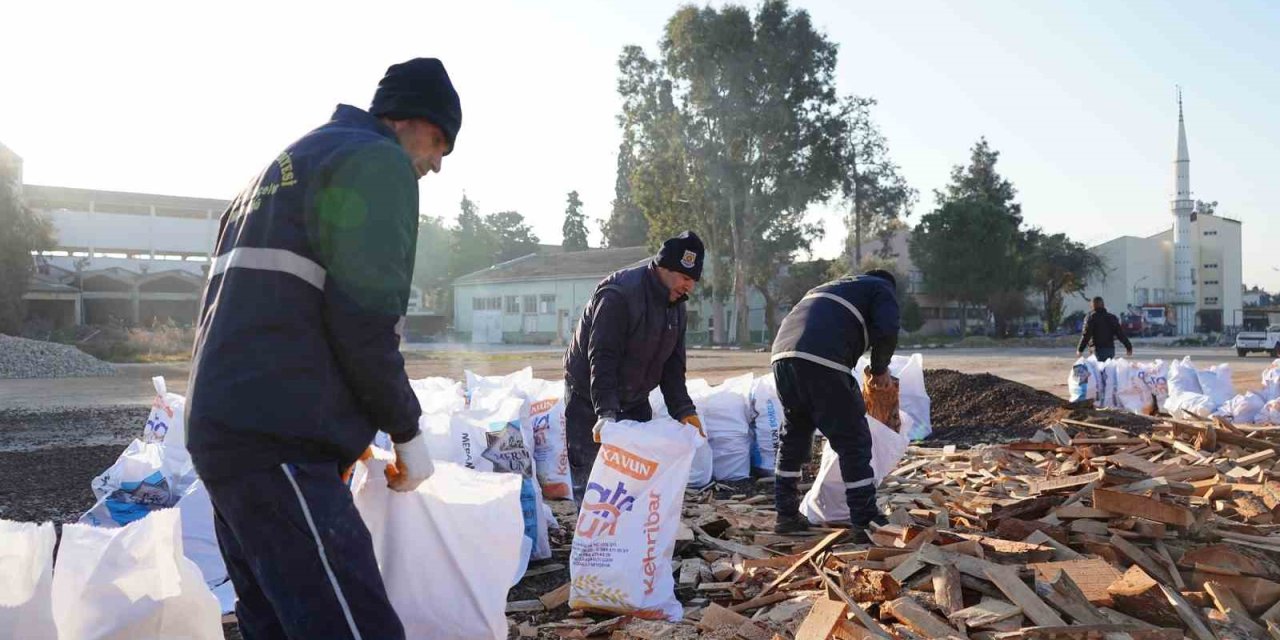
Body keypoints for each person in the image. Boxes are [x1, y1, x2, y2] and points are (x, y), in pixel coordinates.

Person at [185, 58, 461, 640]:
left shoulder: (281, 167)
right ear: (406, 119)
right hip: (278, 440)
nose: (436, 164)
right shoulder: (375, 162)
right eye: (439, 142)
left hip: (225, 431)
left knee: (278, 625)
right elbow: (365, 320)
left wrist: (347, 427)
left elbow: (277, 310)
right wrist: (405, 433)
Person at [563, 231, 707, 502]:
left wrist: (684, 410)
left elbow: (673, 367)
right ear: (665, 268)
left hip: (634, 398)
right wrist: (605, 412)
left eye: (694, 281)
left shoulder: (676, 306)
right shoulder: (619, 294)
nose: (690, 287)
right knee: (594, 479)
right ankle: (593, 541)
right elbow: (602, 356)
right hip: (589, 396)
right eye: (686, 278)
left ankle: (627, 541)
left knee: (635, 478)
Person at [769, 270, 900, 543]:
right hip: (823, 360)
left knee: (794, 435)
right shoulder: (881, 287)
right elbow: (887, 328)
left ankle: (786, 515)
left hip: (782, 357)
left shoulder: (832, 286)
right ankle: (864, 520)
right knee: (853, 439)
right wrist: (879, 370)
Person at [1078, 296, 1133, 362]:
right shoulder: (1112, 318)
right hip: (1110, 350)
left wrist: (1080, 349)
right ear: (1103, 305)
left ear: (1092, 306)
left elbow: (1086, 335)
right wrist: (1128, 347)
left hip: (1097, 350)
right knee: (1108, 370)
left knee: (1098, 371)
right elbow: (1120, 334)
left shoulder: (1091, 318)